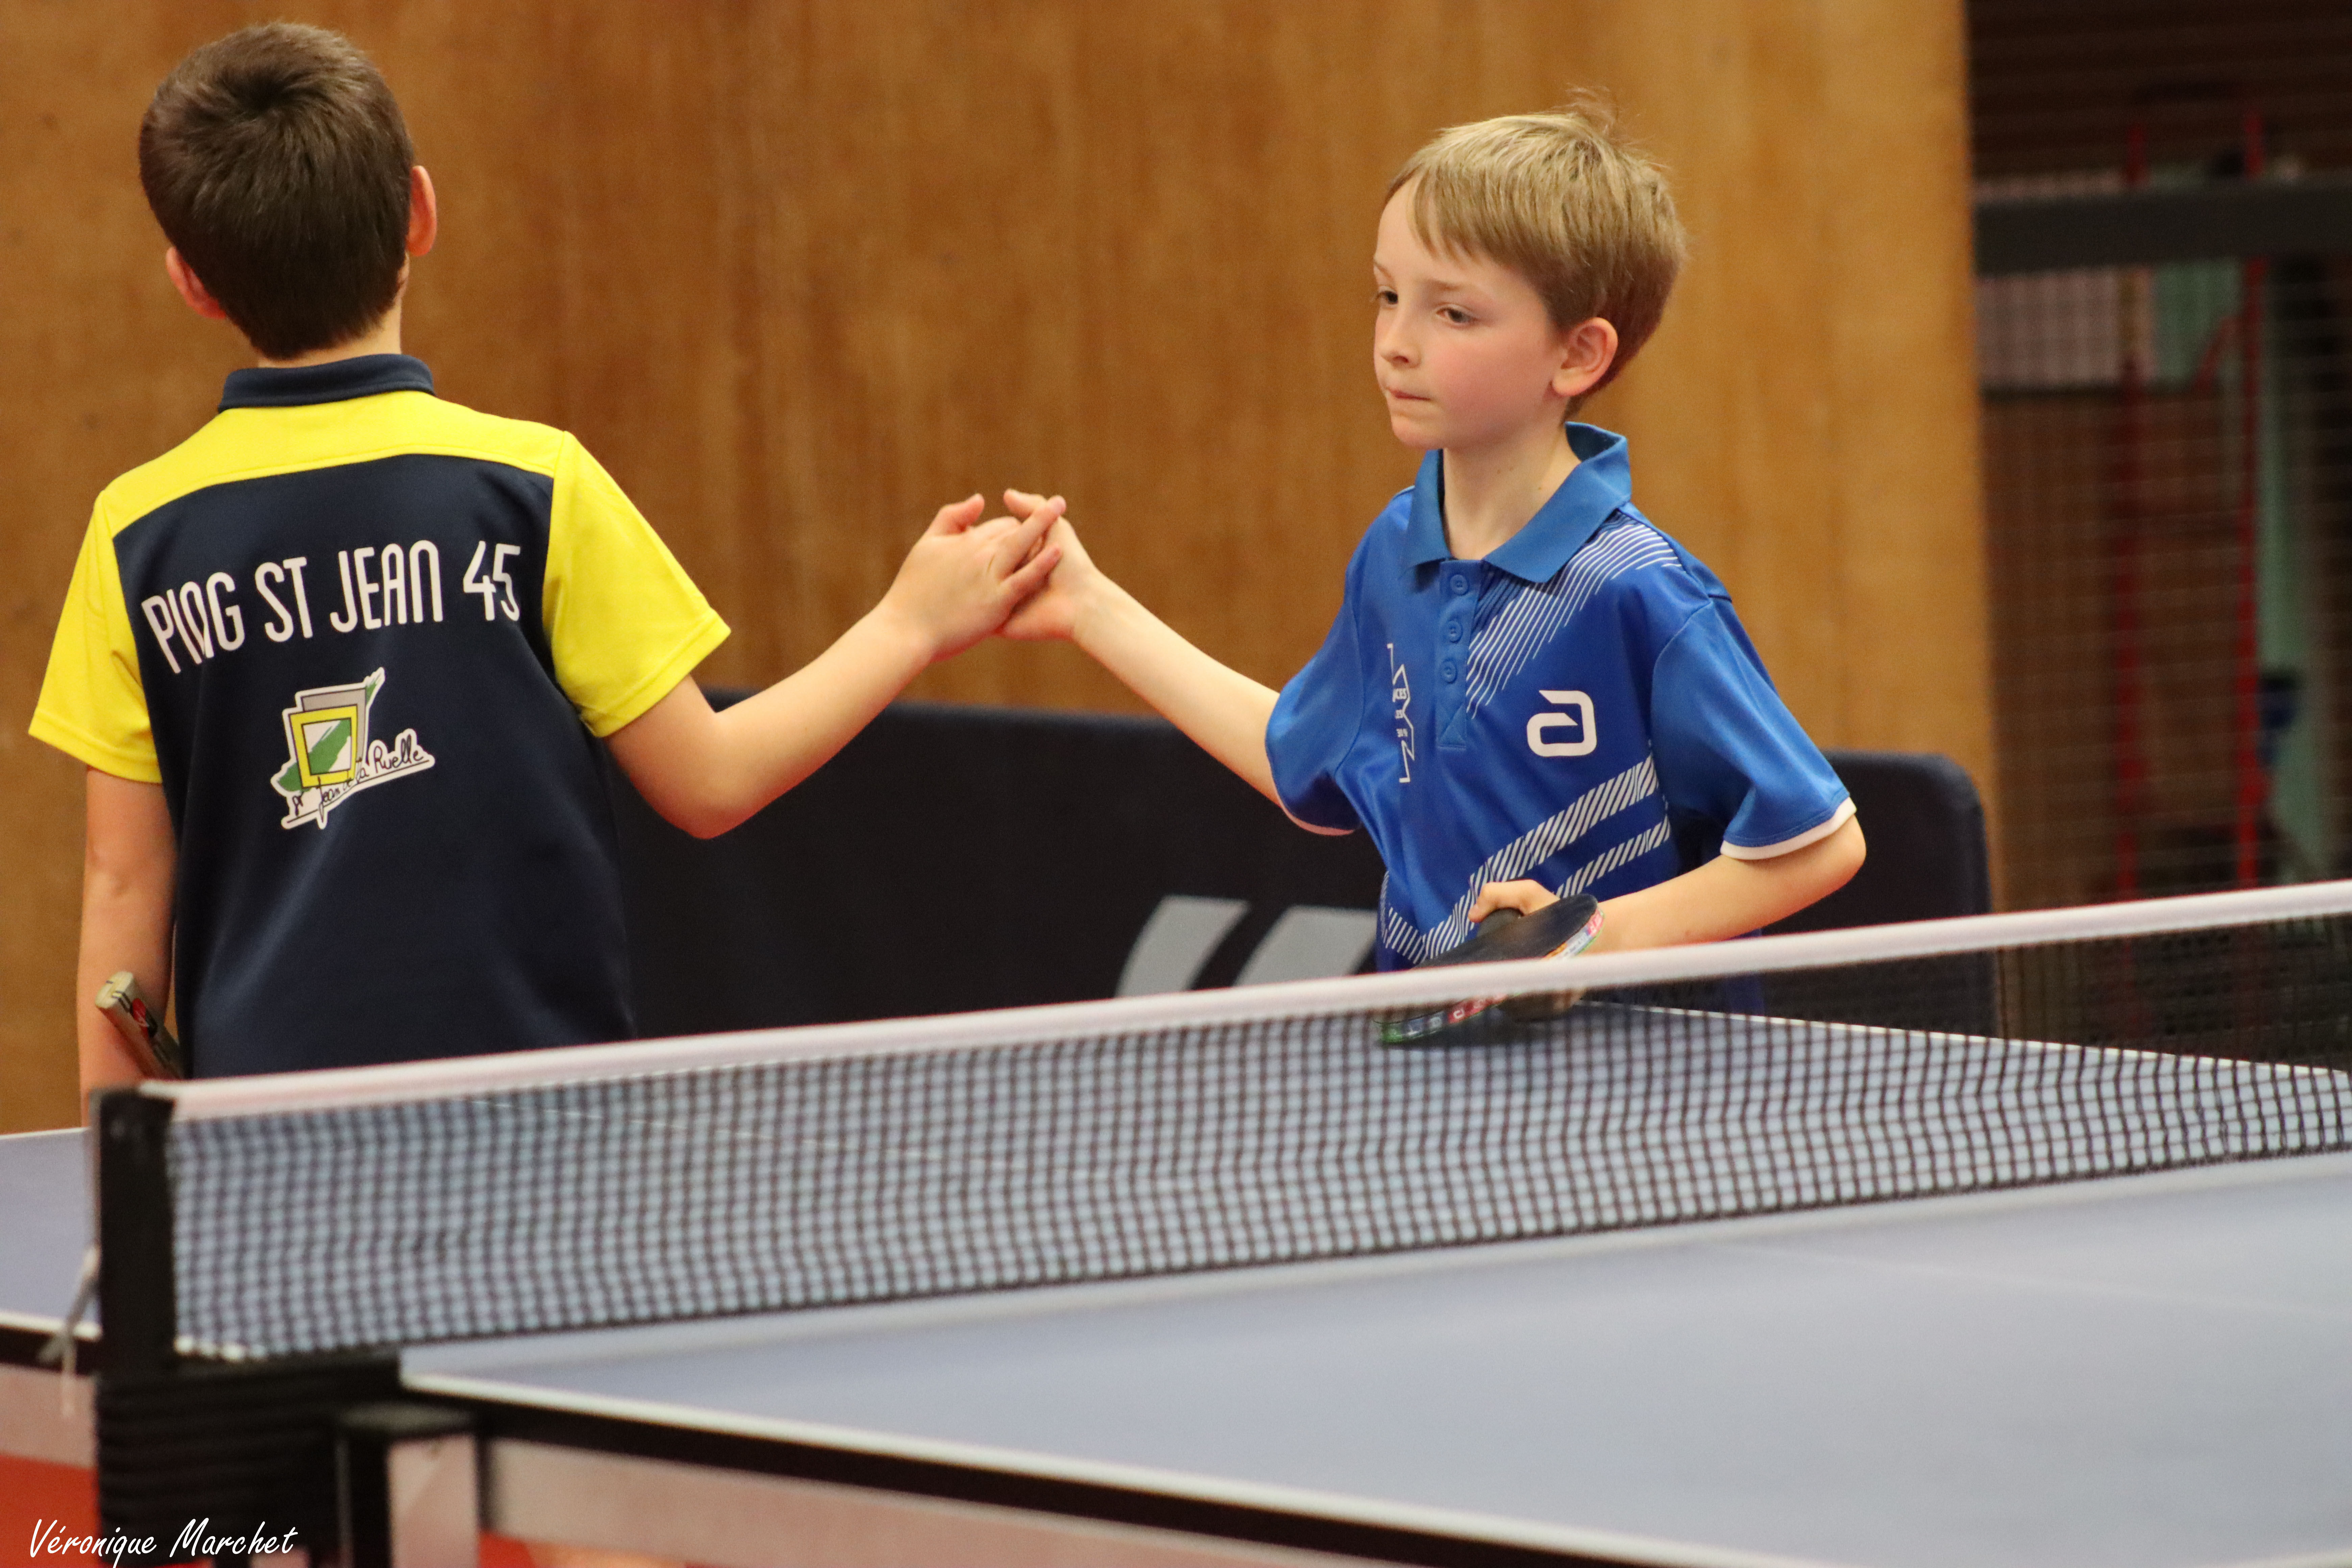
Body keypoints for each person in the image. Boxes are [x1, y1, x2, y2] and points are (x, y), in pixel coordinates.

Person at [32, 23, 1060, 1089]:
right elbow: (711, 782)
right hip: (540, 1119)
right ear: (420, 212)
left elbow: (122, 894)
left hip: (264, 1130)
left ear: (192, 280)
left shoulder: (137, 533)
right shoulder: (533, 487)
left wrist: (125, 1176)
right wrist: (908, 625)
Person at [1003, 102, 1862, 966]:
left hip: (1627, 1044)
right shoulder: (1397, 551)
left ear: (1578, 355)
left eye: (1453, 314)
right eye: (1388, 296)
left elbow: (1818, 842)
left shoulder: (1637, 588)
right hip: (1437, 1034)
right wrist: (1090, 607)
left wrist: (1587, 936)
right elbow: (1310, 765)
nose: (1395, 344)